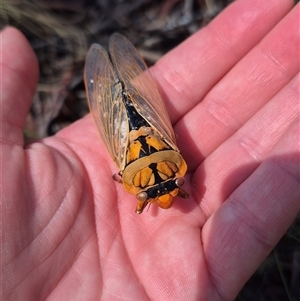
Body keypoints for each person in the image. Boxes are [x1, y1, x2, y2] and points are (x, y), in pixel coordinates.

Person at [1, 0, 299, 300]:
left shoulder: (152, 181)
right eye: (174, 184)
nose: (166, 194)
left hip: (126, 141)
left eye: (147, 193)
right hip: (140, 136)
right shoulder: (159, 176)